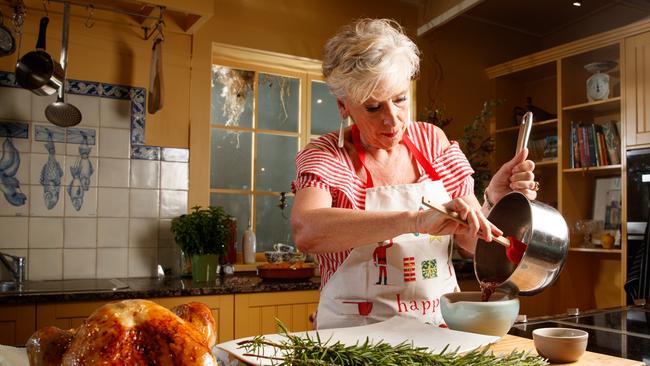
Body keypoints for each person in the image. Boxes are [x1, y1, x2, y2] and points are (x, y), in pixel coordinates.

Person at [291, 18, 537, 330]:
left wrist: (494, 201)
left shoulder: (432, 143)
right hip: (351, 339)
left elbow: (471, 243)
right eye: (373, 108)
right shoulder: (327, 154)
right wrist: (415, 220)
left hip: (437, 331)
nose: (392, 121)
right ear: (344, 106)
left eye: (400, 99)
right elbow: (307, 231)